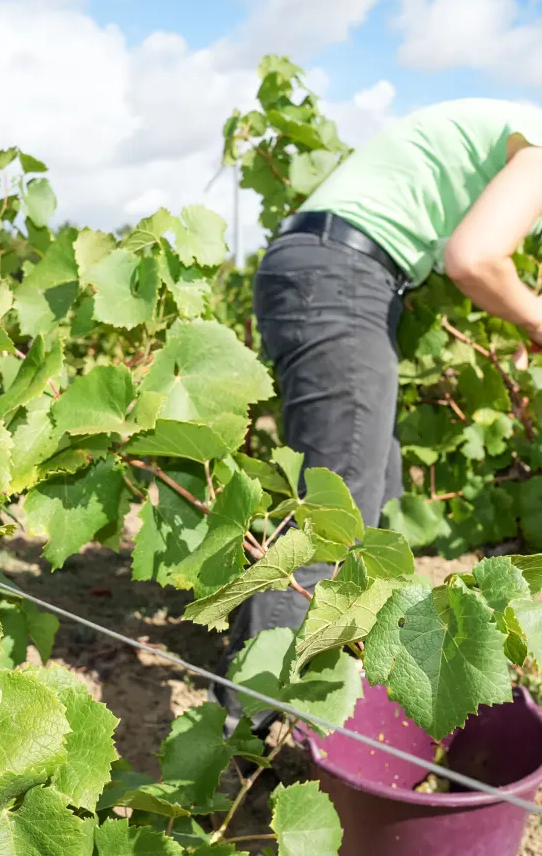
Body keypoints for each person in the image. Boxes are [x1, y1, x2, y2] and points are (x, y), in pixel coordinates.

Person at [211, 97, 542, 736]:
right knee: (333, 524)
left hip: (327, 272)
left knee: (374, 486)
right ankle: (250, 736)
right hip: (344, 278)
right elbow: (474, 259)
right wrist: (533, 316)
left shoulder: (503, 129)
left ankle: (337, 682)